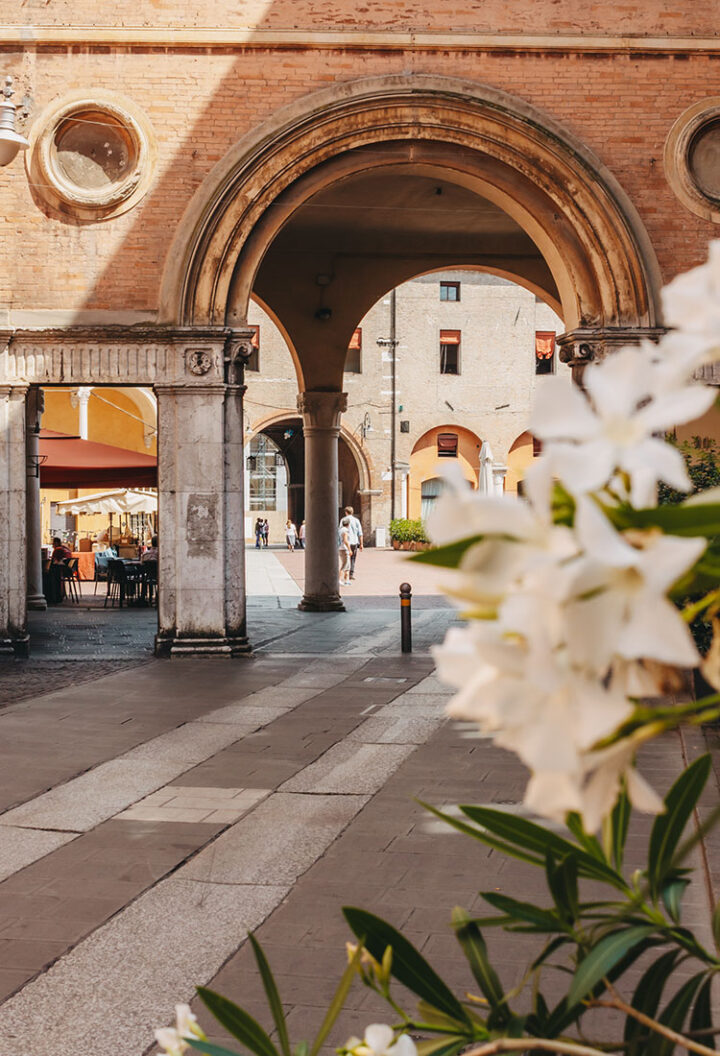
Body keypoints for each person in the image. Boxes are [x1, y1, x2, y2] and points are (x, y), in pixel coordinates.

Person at [343, 505, 363, 580]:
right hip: (354, 542)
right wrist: (361, 544)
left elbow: (340, 531)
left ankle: (346, 573)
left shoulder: (343, 520)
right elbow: (360, 533)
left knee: (346, 557)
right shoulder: (356, 521)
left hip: (346, 542)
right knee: (353, 558)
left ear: (346, 512)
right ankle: (351, 573)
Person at [338, 516, 352, 586]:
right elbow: (346, 540)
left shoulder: (340, 529)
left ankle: (346, 579)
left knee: (347, 564)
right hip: (344, 549)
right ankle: (340, 579)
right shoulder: (345, 530)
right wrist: (349, 549)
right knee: (345, 565)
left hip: (340, 548)